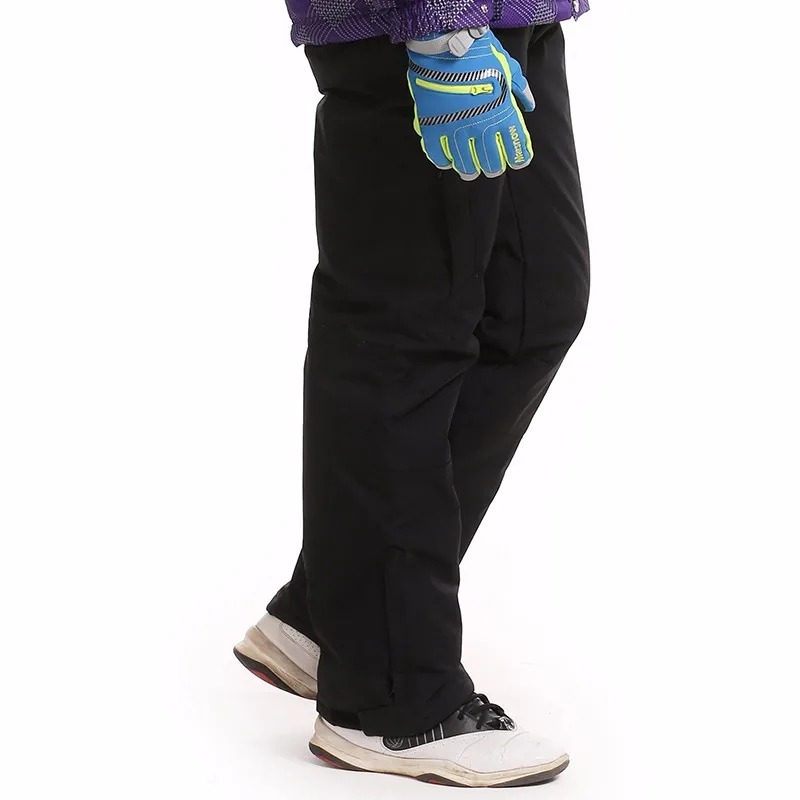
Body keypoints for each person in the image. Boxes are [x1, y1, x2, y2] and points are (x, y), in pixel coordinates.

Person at [234, 0, 591, 787]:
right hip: (413, 32)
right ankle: (387, 700)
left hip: (510, 19)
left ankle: (333, 613)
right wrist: (438, 25)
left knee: (532, 309)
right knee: (403, 334)